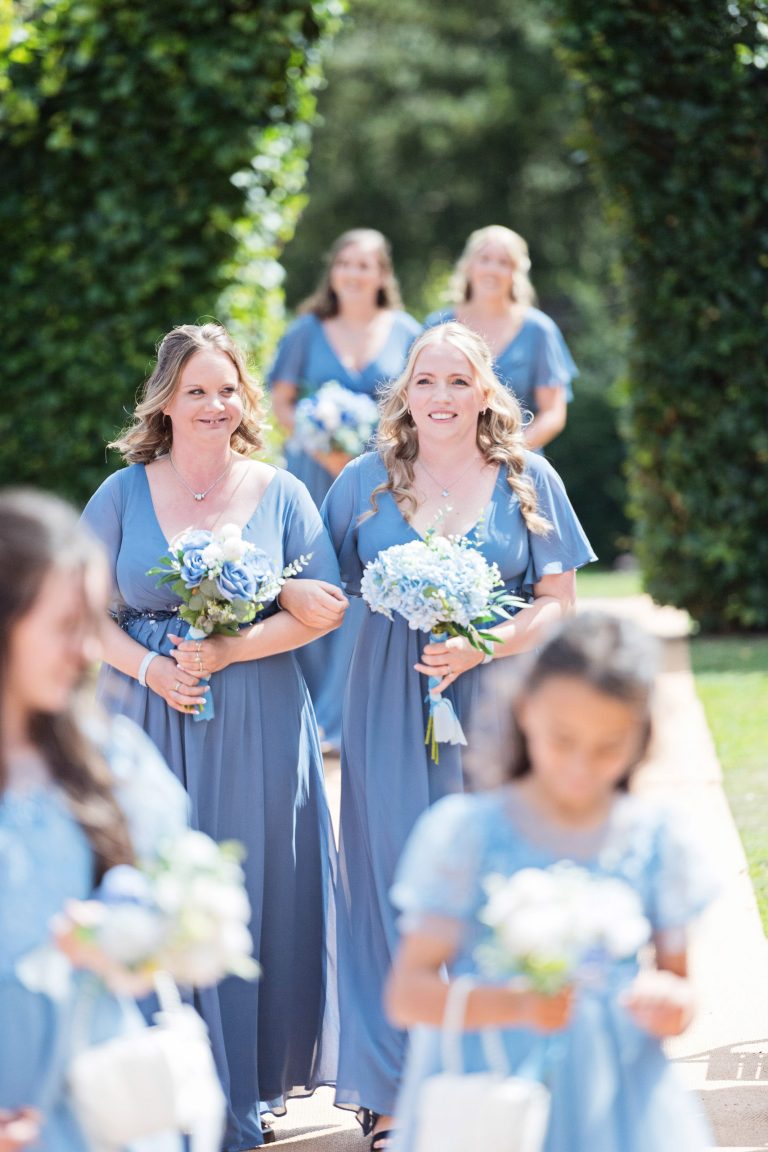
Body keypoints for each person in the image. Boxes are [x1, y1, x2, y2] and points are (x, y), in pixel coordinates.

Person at [311, 321, 595, 1148]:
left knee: (496, 881)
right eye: (426, 380)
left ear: (484, 394)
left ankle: (494, 1072)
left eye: (458, 381)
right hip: (387, 702)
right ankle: (391, 1087)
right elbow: (315, 588)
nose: (441, 397)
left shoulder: (528, 477)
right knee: (391, 882)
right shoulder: (362, 482)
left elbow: (558, 603)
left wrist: (483, 644)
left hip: (497, 705)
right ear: (405, 392)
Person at [81, 322, 345, 1151]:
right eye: (196, 390)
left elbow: (324, 607)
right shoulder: (121, 494)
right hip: (144, 714)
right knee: (151, 885)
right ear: (165, 400)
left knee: (253, 886)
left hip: (259, 713)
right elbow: (80, 613)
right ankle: (154, 1091)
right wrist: (150, 670)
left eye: (227, 389)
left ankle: (247, 1086)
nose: (214, 404)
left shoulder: (282, 492)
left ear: (245, 400)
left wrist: (233, 646)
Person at [386, 611, 715, 1152]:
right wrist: (515, 1005)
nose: (582, 766)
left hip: (616, 1100)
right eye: (563, 740)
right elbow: (408, 995)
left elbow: (679, 985)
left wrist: (669, 1001)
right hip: (495, 1092)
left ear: (641, 736)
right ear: (525, 710)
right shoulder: (467, 837)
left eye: (609, 747)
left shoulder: (657, 840)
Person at [0, 488, 188, 1152]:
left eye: (92, 623)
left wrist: (127, 942)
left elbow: (178, 924)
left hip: (102, 1113)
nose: (87, 651)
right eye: (64, 625)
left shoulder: (113, 760)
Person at [267, 228, 421, 751]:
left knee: (365, 583)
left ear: (382, 274)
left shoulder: (407, 331)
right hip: (312, 472)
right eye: (345, 263)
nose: (353, 274)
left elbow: (417, 401)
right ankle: (306, 710)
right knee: (309, 575)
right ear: (332, 271)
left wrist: (372, 451)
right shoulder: (305, 331)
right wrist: (322, 445)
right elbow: (281, 400)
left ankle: (345, 714)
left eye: (365, 265)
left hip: (381, 477)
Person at [424, 225, 577, 450]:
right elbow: (416, 397)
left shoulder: (539, 330)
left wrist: (505, 453)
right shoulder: (437, 325)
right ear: (468, 266)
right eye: (484, 259)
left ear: (516, 273)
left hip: (516, 461)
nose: (492, 269)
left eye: (504, 263)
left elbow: (553, 413)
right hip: (444, 459)